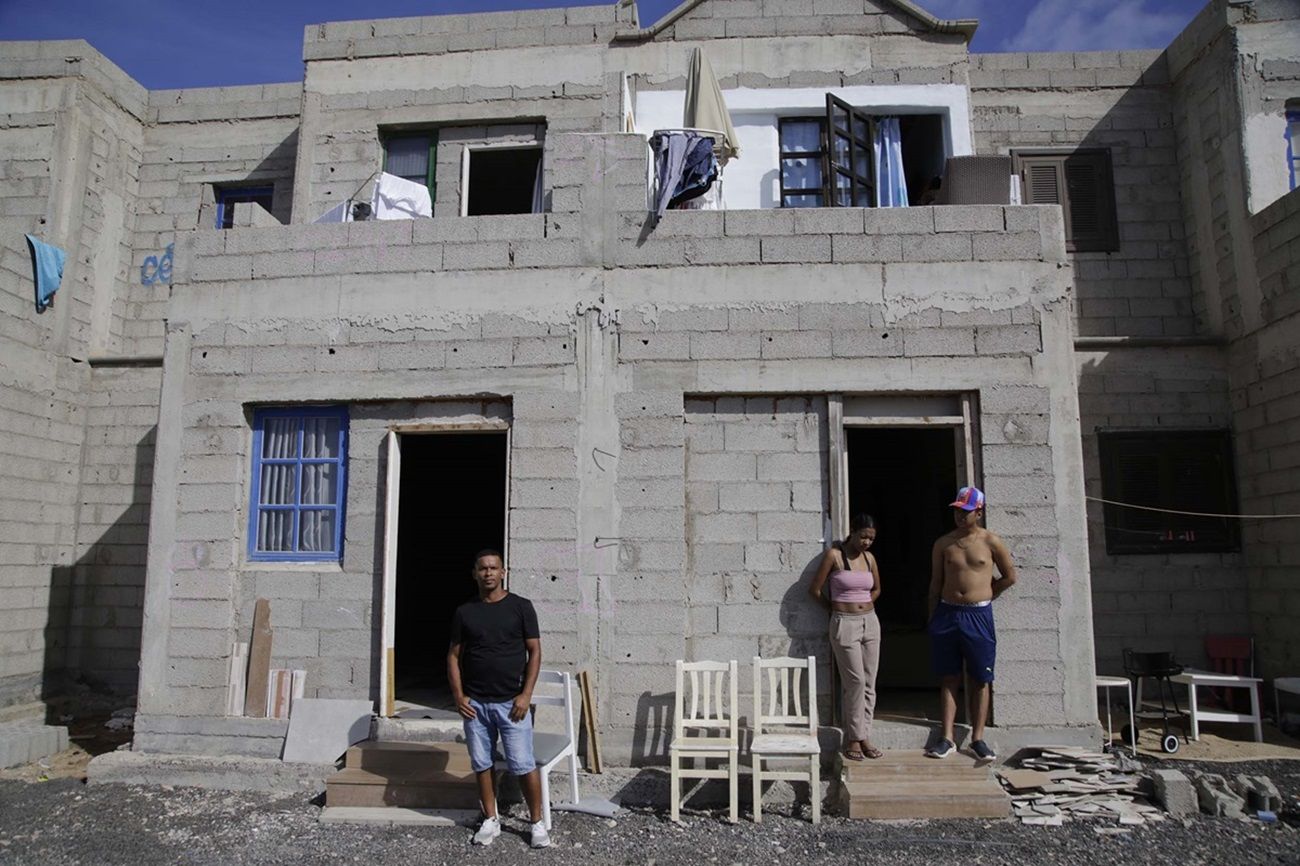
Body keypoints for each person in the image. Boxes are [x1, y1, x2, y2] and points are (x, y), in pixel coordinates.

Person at [447, 549, 550, 848]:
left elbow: (535, 651)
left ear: (503, 572)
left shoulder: (521, 607)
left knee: (522, 764)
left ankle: (536, 823)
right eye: (483, 569)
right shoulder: (465, 612)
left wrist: (526, 694)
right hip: (475, 705)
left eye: (494, 568)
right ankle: (490, 819)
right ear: (475, 574)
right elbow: (453, 656)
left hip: (511, 704)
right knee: (481, 762)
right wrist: (458, 696)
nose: (488, 573)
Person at [924, 487, 1018, 763]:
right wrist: (932, 616)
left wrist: (989, 593)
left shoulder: (991, 542)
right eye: (957, 510)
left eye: (965, 512)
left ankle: (978, 738)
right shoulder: (944, 543)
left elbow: (1010, 576)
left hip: (978, 614)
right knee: (949, 676)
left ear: (979, 512)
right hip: (948, 612)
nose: (959, 516)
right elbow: (936, 583)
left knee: (980, 677)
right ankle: (947, 738)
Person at [809, 513, 884, 761]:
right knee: (855, 682)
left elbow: (877, 589)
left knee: (870, 681)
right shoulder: (835, 556)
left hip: (870, 622)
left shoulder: (869, 558)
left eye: (871, 539)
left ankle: (865, 736)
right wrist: (836, 608)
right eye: (863, 536)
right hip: (844, 624)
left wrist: (865, 603)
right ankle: (853, 738)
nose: (866, 542)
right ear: (852, 531)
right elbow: (815, 590)